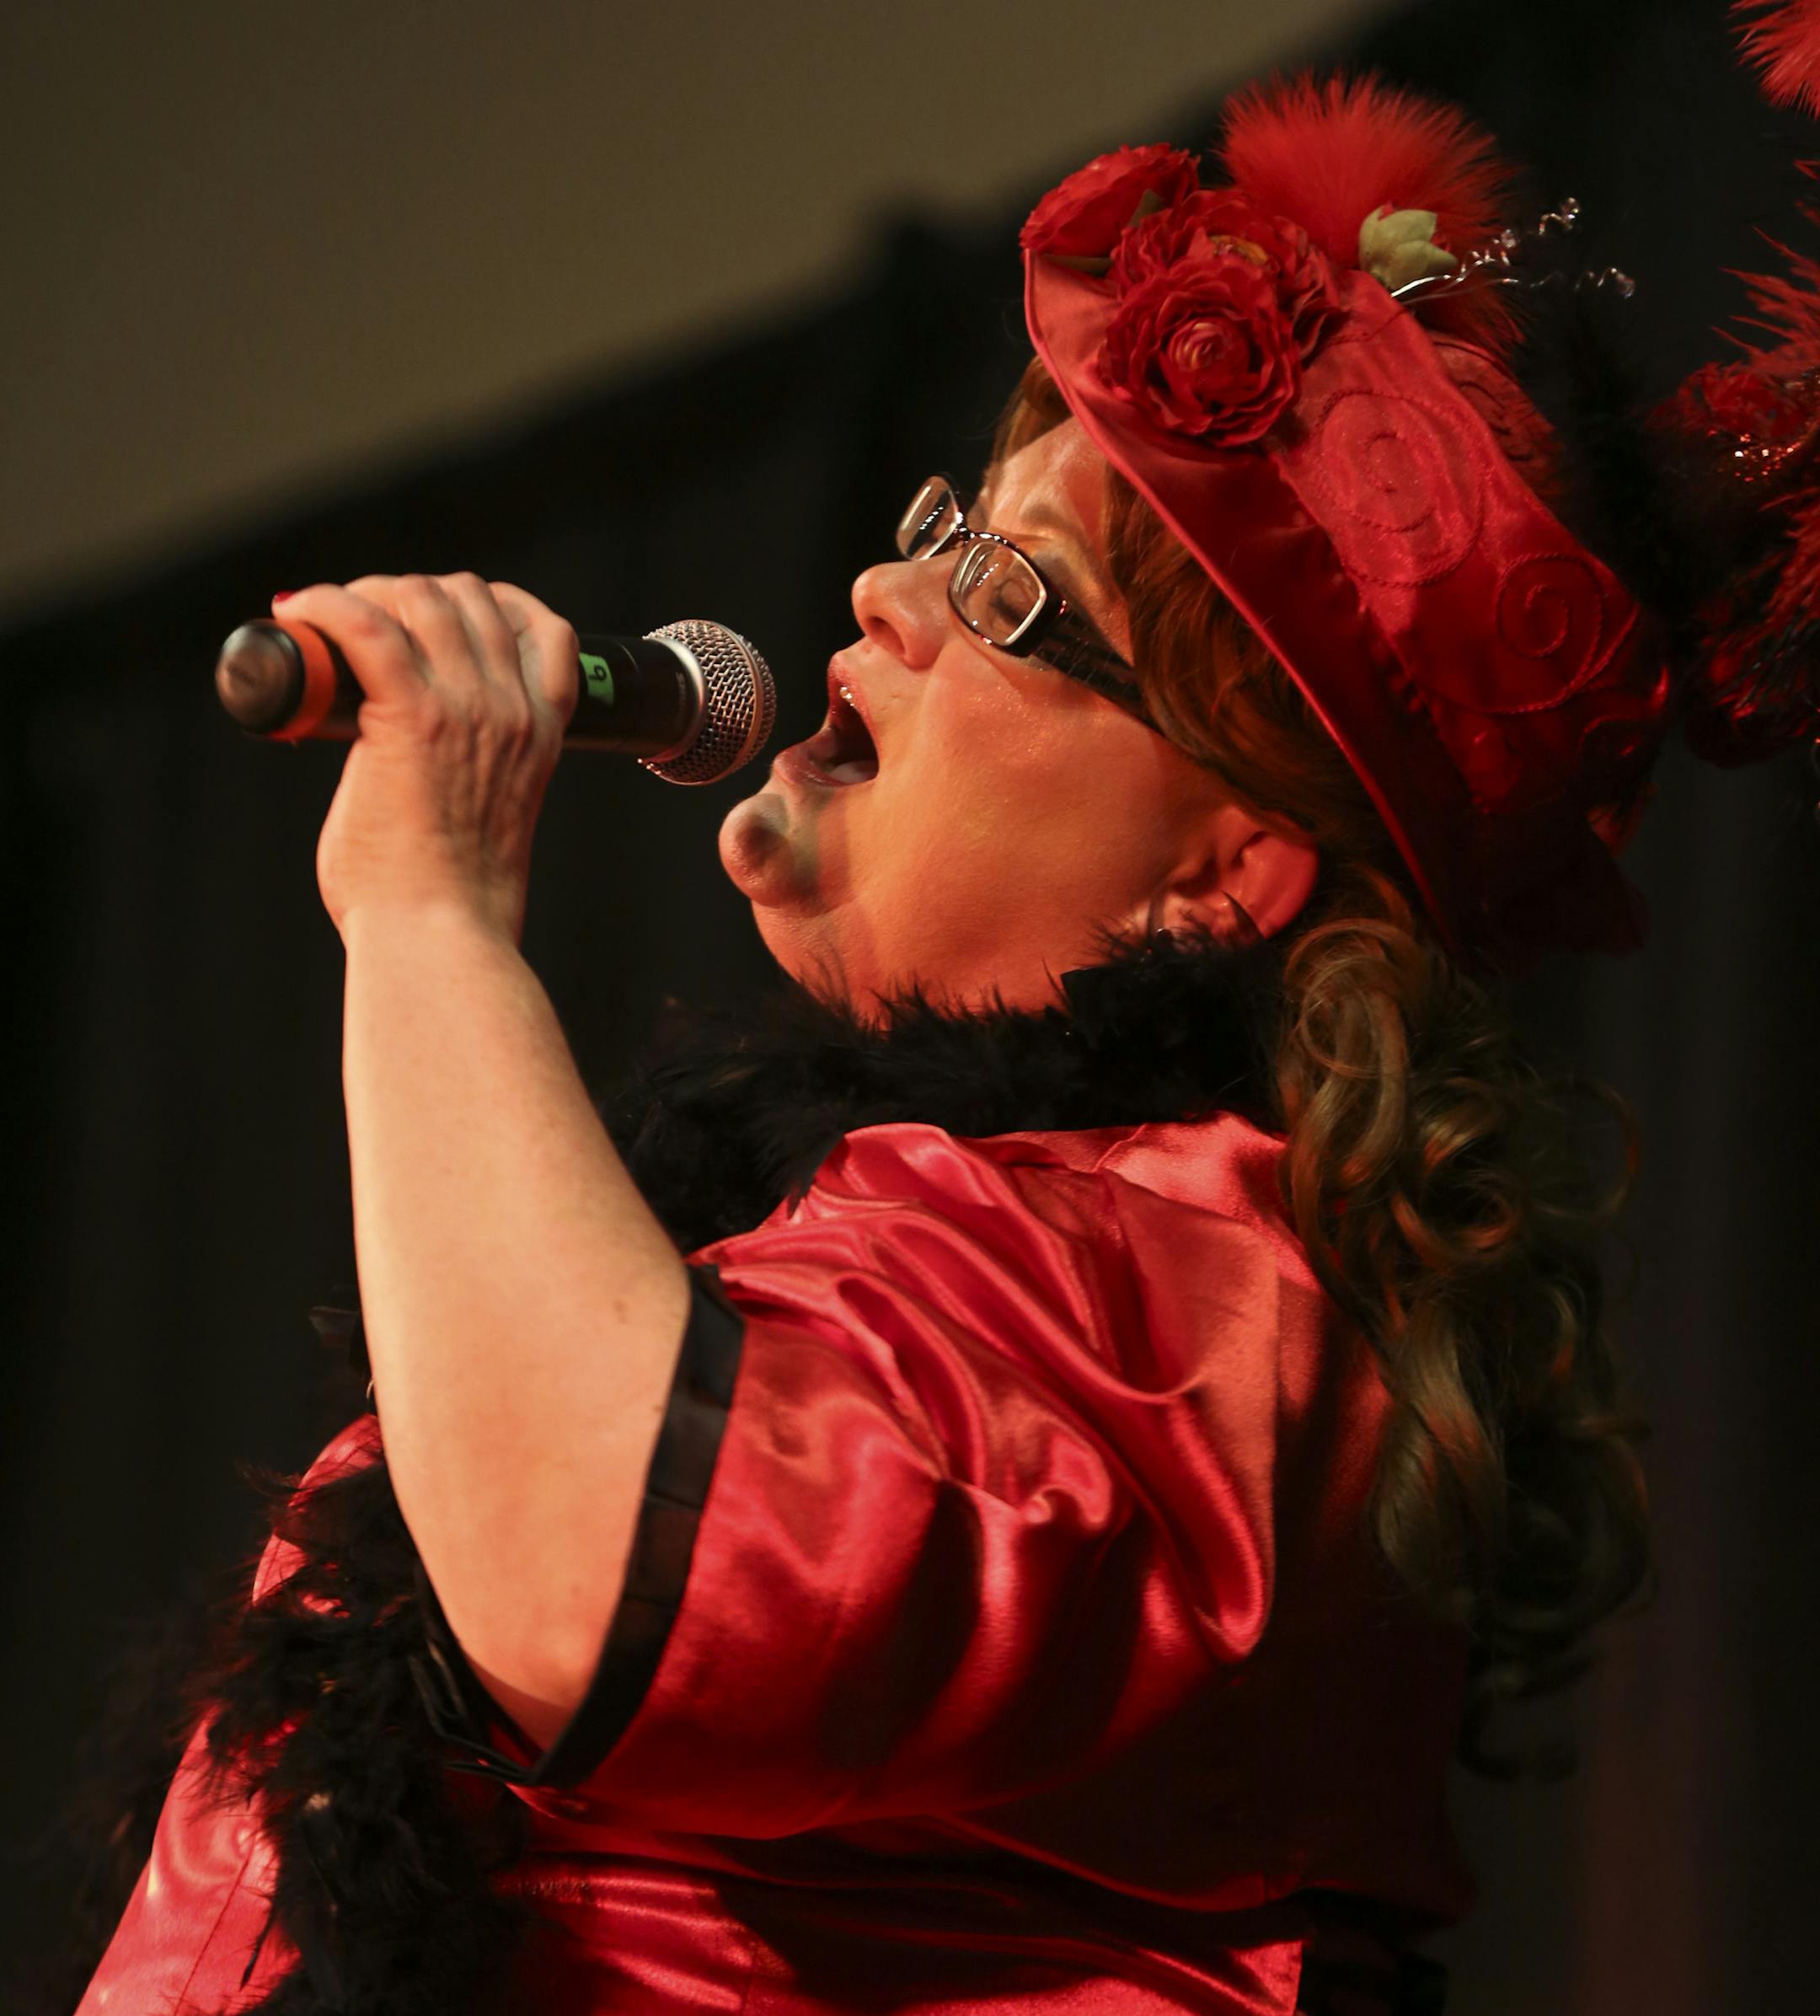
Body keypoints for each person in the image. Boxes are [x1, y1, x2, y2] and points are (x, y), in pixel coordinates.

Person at [70, 29, 1820, 2016]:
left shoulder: (1203, 1299)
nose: (892, 596)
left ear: (1218, 878)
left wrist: (430, 911)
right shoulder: (925, 1229)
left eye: (1013, 592)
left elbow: (615, 1579)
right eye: (938, 526)